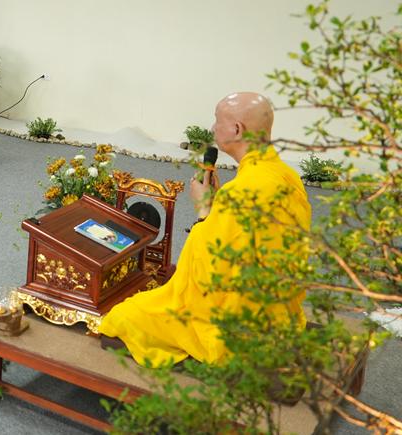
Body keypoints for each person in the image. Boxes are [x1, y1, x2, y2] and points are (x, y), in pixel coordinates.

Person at [98, 93, 313, 367]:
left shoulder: (239, 193)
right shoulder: (287, 176)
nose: (212, 128)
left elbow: (205, 274)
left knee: (124, 315)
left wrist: (204, 210)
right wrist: (220, 208)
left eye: (217, 120)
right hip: (279, 313)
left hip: (236, 324)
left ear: (237, 129)